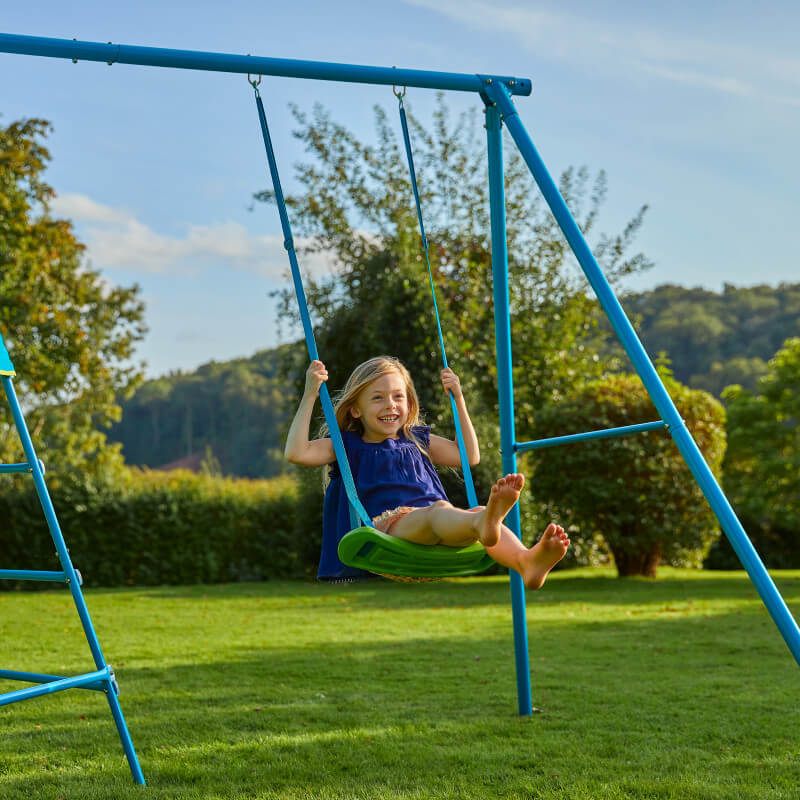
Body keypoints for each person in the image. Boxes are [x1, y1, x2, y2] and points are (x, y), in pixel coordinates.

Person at [284, 355, 570, 586]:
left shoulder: (418, 440)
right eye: (377, 398)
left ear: (408, 404)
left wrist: (458, 399)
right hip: (388, 528)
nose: (391, 405)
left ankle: (525, 562)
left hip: (434, 524)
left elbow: (469, 456)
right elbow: (297, 452)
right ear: (355, 409)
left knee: (471, 511)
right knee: (443, 512)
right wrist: (311, 394)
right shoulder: (346, 446)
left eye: (398, 396)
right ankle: (485, 523)